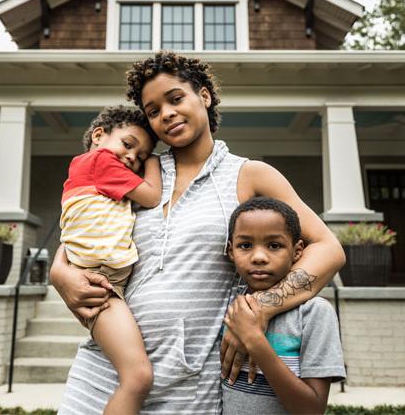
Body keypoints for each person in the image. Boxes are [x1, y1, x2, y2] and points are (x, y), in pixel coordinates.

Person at [50, 51, 345, 414]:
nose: (167, 114)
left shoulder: (249, 175)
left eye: (176, 98)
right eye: (154, 111)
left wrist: (258, 310)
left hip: (190, 388)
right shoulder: (136, 169)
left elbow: (328, 249)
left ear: (203, 96)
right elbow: (85, 223)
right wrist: (59, 272)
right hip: (103, 374)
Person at [59, 105, 162, 414]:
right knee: (138, 377)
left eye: (142, 156)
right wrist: (155, 162)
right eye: (128, 145)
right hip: (102, 286)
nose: (134, 157)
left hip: (101, 278)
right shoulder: (101, 160)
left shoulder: (99, 180)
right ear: (99, 135)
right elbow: (153, 196)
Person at [223, 197, 346, 414]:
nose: (259, 257)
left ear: (297, 251)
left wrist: (255, 342)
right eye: (245, 245)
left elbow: (311, 410)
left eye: (274, 245)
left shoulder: (314, 313)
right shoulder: (231, 305)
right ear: (231, 251)